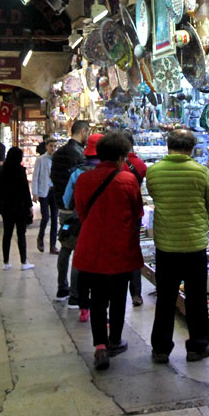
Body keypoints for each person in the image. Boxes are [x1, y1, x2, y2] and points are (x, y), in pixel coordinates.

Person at [145, 128, 209, 363]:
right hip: (194, 245)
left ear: (168, 146)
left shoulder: (154, 172)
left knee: (166, 298)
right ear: (191, 148)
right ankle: (197, 346)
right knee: (196, 298)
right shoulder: (201, 172)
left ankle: (161, 349)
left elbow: (155, 197)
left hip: (166, 245)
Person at [73, 133, 144, 370]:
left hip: (92, 247)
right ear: (122, 156)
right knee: (117, 297)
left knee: (97, 299)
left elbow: (81, 213)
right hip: (119, 248)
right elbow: (137, 213)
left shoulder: (84, 180)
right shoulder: (128, 180)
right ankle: (115, 340)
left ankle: (100, 346)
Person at [62, 134, 102, 322]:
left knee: (80, 259)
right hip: (103, 224)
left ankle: (77, 299)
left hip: (82, 222)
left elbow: (66, 200)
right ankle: (100, 303)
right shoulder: (112, 172)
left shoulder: (77, 172)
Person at [51, 119, 89, 302]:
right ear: (83, 132)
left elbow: (54, 178)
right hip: (75, 210)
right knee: (78, 249)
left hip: (62, 207)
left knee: (65, 246)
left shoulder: (58, 153)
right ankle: (75, 294)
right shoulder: (79, 155)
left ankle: (61, 287)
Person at [119, 132, 148, 308]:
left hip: (118, 213)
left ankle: (118, 287)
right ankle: (136, 293)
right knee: (134, 251)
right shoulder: (140, 164)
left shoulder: (116, 165)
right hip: (135, 212)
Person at [0, 147, 34, 270]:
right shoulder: (20, 170)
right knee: (21, 234)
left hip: (6, 207)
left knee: (7, 234)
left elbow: (0, 191)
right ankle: (23, 262)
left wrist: (1, 206)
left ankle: (6, 262)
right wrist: (29, 206)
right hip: (20, 207)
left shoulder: (2, 171)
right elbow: (25, 191)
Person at [32, 140, 59, 253]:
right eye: (51, 146)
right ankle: (40, 238)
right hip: (44, 191)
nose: (53, 148)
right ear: (47, 146)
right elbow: (35, 177)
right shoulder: (40, 160)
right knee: (45, 217)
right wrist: (35, 193)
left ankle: (52, 245)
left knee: (54, 219)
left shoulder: (58, 160)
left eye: (55, 146)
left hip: (55, 191)